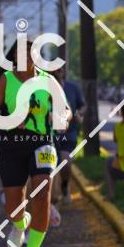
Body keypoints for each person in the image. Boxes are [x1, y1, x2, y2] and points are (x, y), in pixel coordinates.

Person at [0, 40, 71, 247]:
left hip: (42, 142)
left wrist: (62, 118)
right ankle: (20, 222)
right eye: (21, 53)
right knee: (13, 208)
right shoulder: (6, 80)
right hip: (12, 144)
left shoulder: (48, 80)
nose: (26, 57)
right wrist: (9, 119)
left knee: (42, 190)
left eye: (31, 53)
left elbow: (66, 110)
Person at [52, 66, 86, 204]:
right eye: (52, 70)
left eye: (59, 70)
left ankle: (65, 186)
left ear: (63, 72)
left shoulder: (73, 87)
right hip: (48, 134)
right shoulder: (43, 88)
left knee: (65, 163)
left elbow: (83, 105)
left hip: (68, 133)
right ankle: (50, 200)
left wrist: (78, 114)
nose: (56, 73)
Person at [105, 97, 124, 199]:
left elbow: (115, 140)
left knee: (108, 161)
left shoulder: (118, 127)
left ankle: (110, 195)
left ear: (122, 113)